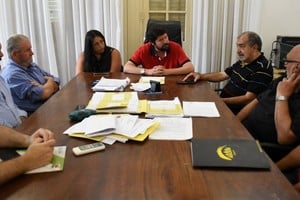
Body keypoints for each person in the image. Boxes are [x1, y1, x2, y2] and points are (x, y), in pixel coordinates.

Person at [183, 31, 273, 114]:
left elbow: (248, 99)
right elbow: (223, 74)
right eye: (237, 46)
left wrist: (220, 101)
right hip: (224, 104)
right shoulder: (244, 61)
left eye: (242, 46)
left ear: (254, 47)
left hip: (235, 111)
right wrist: (200, 76)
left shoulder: (262, 68)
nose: (237, 51)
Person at [237, 44, 300, 160]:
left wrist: (282, 96)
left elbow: (284, 138)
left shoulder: (283, 89)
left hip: (260, 149)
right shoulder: (281, 80)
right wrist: (235, 123)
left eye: (287, 61)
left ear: (297, 67)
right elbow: (256, 101)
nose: (284, 64)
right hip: (242, 133)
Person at [1, 34, 60, 115]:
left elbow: (57, 80)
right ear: (15, 54)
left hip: (50, 107)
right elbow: (43, 94)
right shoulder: (13, 75)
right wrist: (49, 83)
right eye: (28, 50)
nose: (32, 53)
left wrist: (47, 85)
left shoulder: (31, 65)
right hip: (35, 117)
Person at [123, 27, 194, 75]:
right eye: (161, 40)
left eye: (166, 37)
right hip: (150, 85)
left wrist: (167, 72)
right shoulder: (144, 49)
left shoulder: (175, 47)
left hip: (173, 83)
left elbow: (190, 67)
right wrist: (147, 71)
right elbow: (126, 67)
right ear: (153, 43)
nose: (166, 41)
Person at [0, 42, 27, 127]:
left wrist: (22, 118)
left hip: (21, 129)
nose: (2, 54)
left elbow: (11, 106)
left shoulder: (1, 80)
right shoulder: (12, 74)